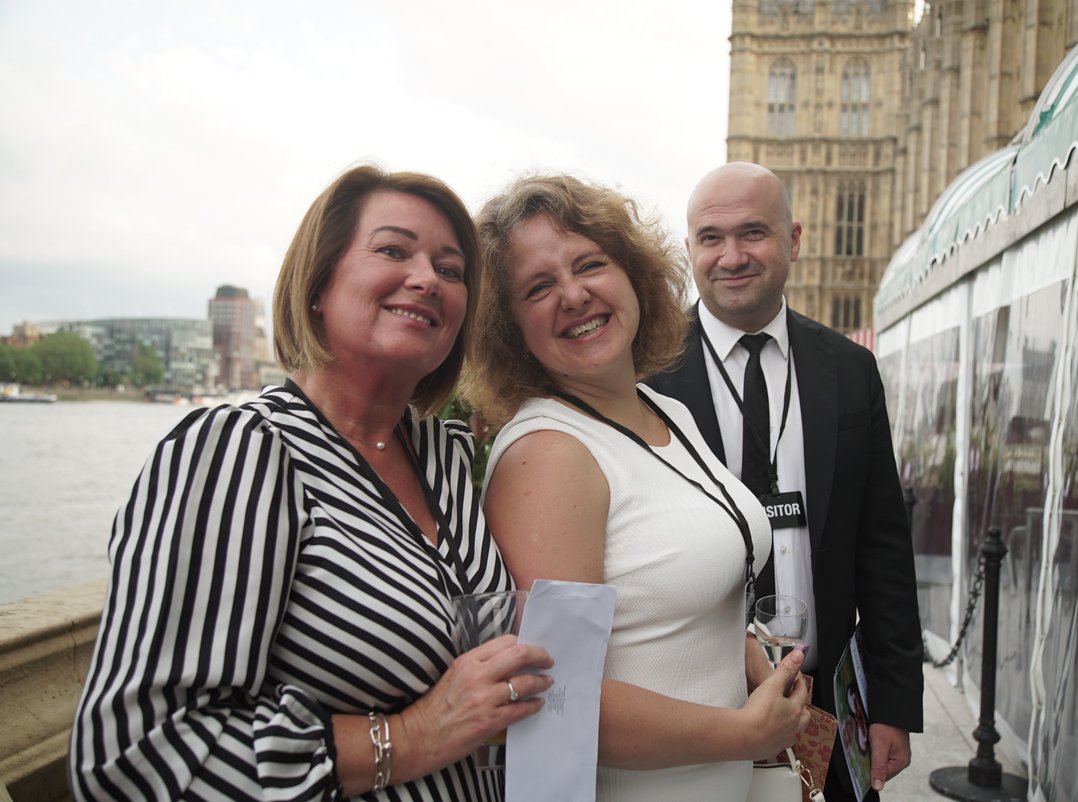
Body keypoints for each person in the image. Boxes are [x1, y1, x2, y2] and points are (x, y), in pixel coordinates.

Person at [70, 165, 554, 801]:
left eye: (451, 268)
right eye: (392, 249)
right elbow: (132, 757)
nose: (426, 279)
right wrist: (412, 735)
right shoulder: (243, 450)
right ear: (320, 283)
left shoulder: (443, 459)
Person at [464, 174, 811, 802]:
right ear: (508, 328)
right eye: (538, 287)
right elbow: (558, 698)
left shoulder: (662, 410)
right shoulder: (548, 455)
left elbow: (652, 596)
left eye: (590, 264)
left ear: (633, 274)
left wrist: (738, 649)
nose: (573, 295)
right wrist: (743, 734)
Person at [646, 161, 923, 802]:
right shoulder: (648, 373)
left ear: (794, 240)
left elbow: (883, 545)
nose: (732, 256)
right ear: (690, 250)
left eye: (754, 233)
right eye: (710, 238)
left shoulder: (851, 371)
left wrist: (894, 702)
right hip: (695, 712)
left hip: (827, 703)